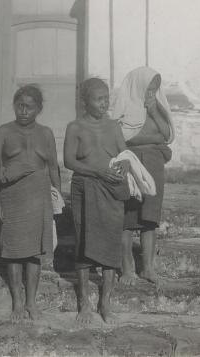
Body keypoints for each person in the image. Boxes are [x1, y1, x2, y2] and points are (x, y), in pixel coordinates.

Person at [0, 84, 61, 322]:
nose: (23, 111)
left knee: (34, 254)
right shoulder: (4, 131)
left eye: (29, 107)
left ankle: (31, 301)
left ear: (38, 109)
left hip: (38, 198)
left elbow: (53, 167)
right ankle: (17, 302)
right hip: (12, 198)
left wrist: (57, 199)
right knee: (13, 253)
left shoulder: (46, 133)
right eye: (19, 106)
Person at [64, 78, 130, 324]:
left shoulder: (114, 126)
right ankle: (84, 302)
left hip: (111, 188)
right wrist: (97, 172)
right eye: (98, 99)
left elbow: (123, 155)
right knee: (84, 242)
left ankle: (106, 302)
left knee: (111, 241)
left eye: (106, 98)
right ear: (85, 102)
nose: (104, 103)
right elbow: (70, 161)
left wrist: (122, 168)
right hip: (85, 187)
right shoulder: (75, 127)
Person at [112, 67, 175, 286]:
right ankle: (127, 268)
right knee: (127, 219)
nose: (151, 93)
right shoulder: (124, 107)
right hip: (129, 162)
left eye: (155, 89)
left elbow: (166, 135)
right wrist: (150, 137)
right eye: (148, 89)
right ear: (138, 86)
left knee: (150, 219)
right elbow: (123, 136)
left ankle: (148, 268)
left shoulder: (157, 106)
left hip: (154, 164)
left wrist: (154, 111)